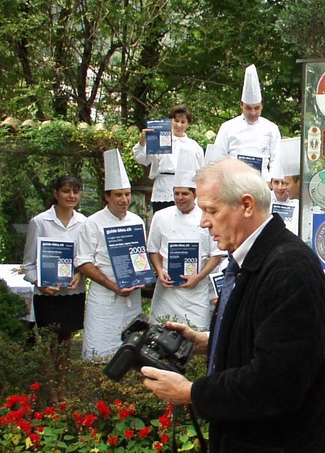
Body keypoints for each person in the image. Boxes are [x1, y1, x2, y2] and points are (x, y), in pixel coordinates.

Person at [141, 159, 325, 453]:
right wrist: (208, 341)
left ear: (246, 205)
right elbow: (264, 334)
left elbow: (275, 383)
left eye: (211, 210)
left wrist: (190, 393)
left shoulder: (288, 270)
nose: (203, 222)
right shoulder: (257, 258)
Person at [75, 150, 147, 359]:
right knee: (100, 351)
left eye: (127, 194)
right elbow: (83, 262)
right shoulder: (92, 223)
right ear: (107, 196)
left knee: (130, 351)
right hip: (105, 299)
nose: (124, 199)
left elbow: (139, 257)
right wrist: (113, 286)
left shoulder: (137, 221)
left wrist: (141, 278)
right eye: (118, 194)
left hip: (132, 298)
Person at [22, 175, 87, 400]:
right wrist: (40, 282)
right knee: (49, 344)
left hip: (72, 293)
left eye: (75, 192)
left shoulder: (84, 223)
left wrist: (80, 274)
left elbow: (85, 260)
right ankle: (51, 390)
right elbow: (29, 264)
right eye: (66, 191)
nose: (71, 196)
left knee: (66, 342)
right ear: (56, 194)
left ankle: (62, 387)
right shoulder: (39, 222)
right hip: (47, 294)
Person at [146, 150, 224, 330]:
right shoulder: (160, 216)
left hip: (196, 293)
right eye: (176, 193)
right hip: (166, 293)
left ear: (194, 194)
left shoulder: (207, 216)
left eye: (184, 194)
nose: (180, 198)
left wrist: (198, 277)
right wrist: (159, 271)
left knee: (195, 339)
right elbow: (153, 250)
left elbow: (217, 254)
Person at [213, 65, 281, 181]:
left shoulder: (271, 128)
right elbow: (218, 157)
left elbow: (277, 158)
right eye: (248, 108)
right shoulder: (227, 127)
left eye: (256, 108)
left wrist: (272, 180)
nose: (253, 112)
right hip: (233, 182)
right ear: (241, 105)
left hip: (262, 183)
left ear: (262, 106)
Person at [132, 104, 205, 213]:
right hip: (163, 186)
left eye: (183, 122)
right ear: (170, 120)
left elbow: (201, 171)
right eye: (176, 121)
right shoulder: (160, 140)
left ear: (188, 124)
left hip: (186, 187)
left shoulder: (194, 146)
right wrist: (143, 142)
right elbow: (142, 158)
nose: (179, 125)